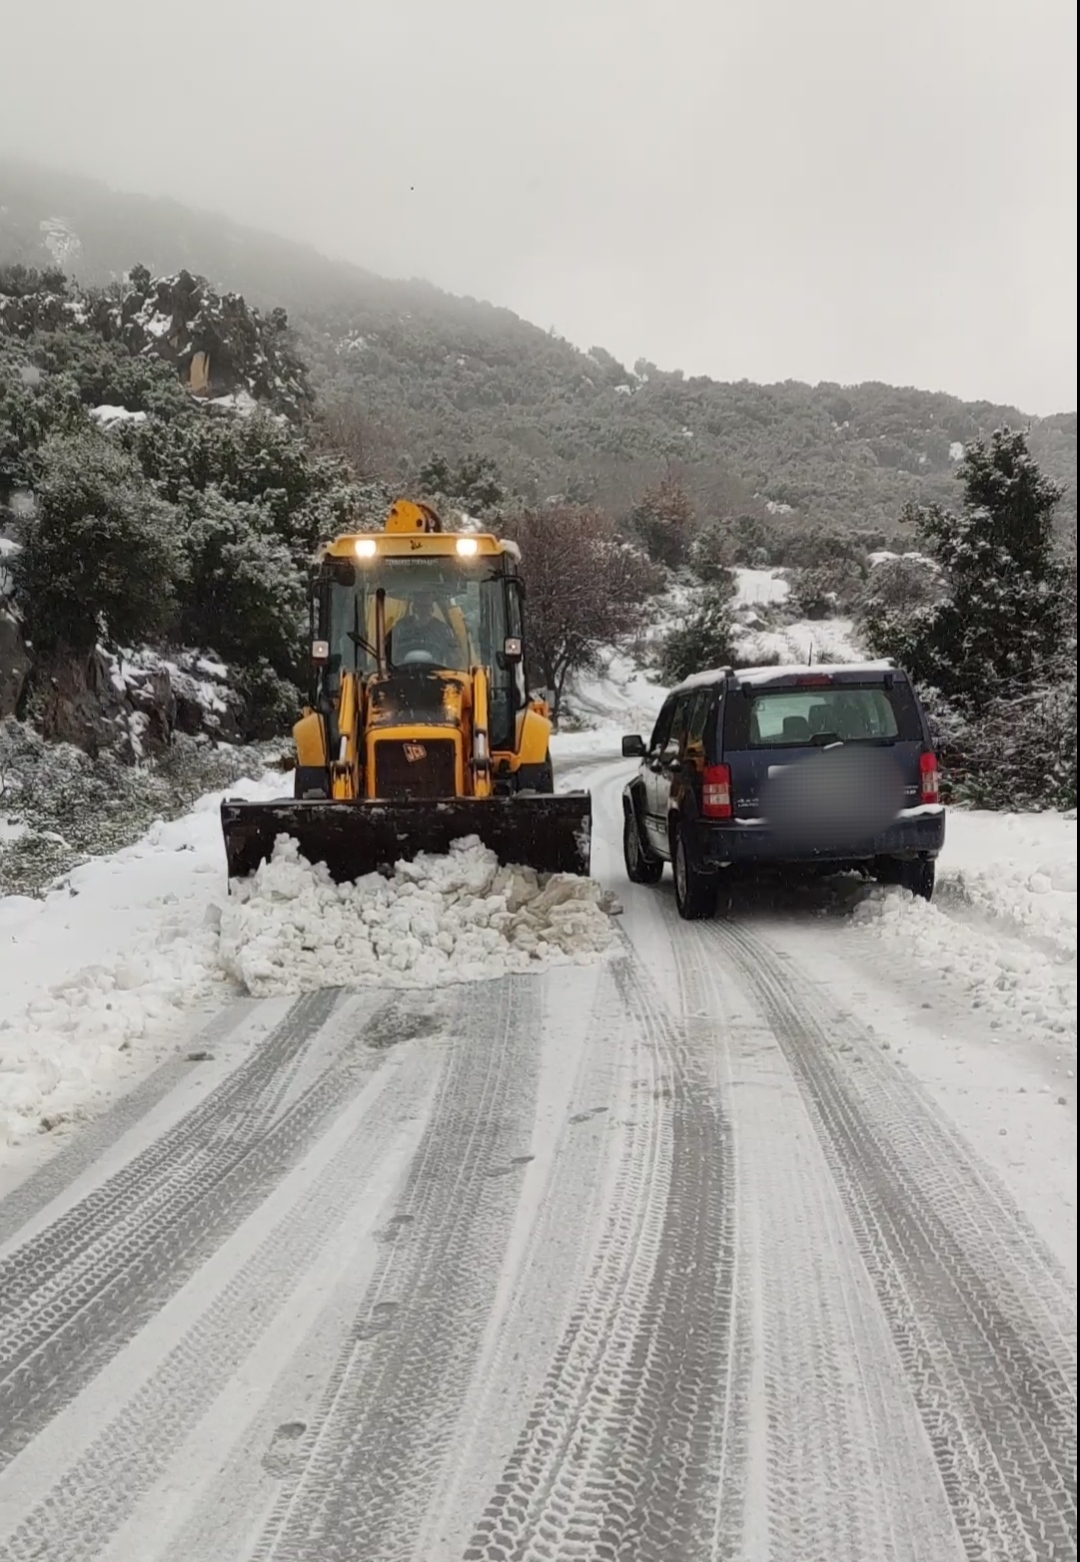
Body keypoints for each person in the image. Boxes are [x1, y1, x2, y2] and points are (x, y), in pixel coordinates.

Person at [390, 590, 461, 667]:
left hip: (437, 672)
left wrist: (454, 658)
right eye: (419, 607)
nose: (424, 611)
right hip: (402, 671)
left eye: (427, 607)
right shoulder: (400, 628)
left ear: (432, 610)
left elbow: (454, 660)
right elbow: (390, 654)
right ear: (413, 609)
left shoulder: (443, 630)